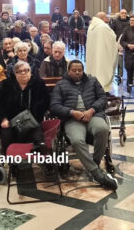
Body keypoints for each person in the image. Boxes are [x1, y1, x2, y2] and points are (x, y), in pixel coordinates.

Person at [49, 60, 117, 190]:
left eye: (80, 70)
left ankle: (95, 163)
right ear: (68, 71)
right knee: (76, 140)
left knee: (102, 129)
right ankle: (96, 173)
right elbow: (54, 106)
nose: (77, 73)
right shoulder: (61, 85)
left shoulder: (92, 81)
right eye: (74, 70)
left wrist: (92, 110)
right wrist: (71, 112)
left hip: (92, 115)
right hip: (72, 119)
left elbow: (103, 98)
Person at [0, 61, 50, 155]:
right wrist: (3, 119)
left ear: (30, 71)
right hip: (11, 121)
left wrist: (35, 116)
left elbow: (45, 102)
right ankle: (12, 163)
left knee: (38, 137)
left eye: (26, 70)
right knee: (7, 137)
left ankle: (41, 153)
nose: (23, 73)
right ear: (14, 73)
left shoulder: (39, 83)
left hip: (32, 119)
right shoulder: (6, 84)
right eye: (19, 71)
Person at [86, 12, 119, 92]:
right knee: (102, 72)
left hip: (94, 53)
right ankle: (102, 89)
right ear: (102, 17)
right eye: (106, 17)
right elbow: (113, 37)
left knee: (94, 69)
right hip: (102, 54)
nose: (108, 18)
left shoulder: (92, 26)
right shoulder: (103, 27)